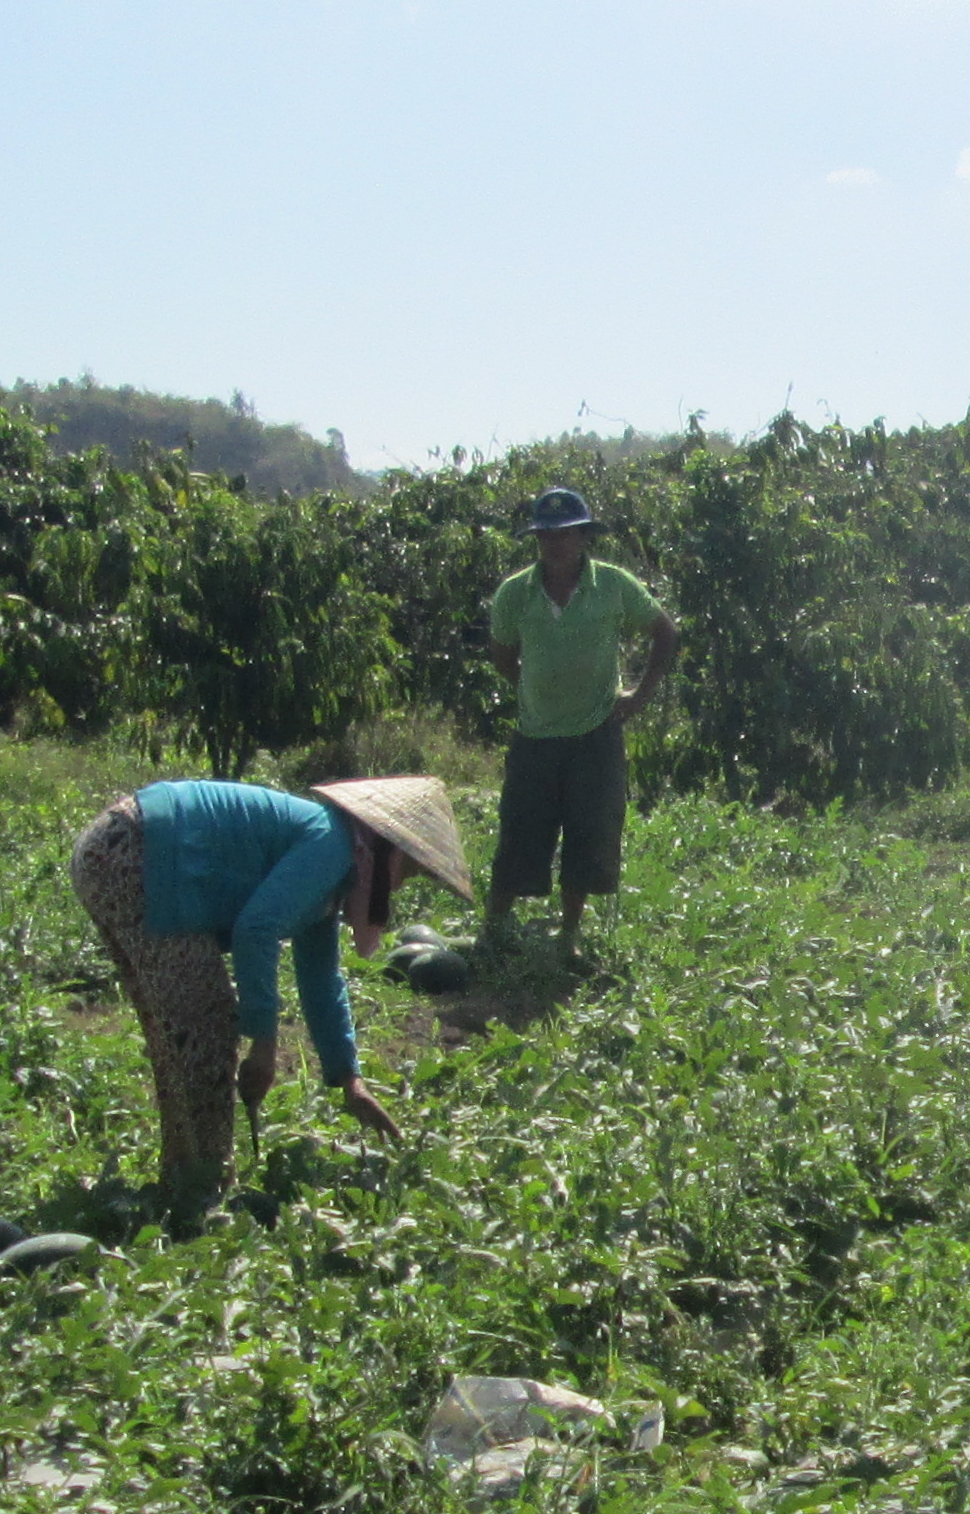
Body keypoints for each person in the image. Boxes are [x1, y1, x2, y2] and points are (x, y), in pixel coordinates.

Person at [68, 772, 475, 1224]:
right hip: (136, 849)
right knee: (204, 1021)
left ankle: (184, 1178)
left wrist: (348, 1079)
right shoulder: (332, 843)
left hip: (116, 849)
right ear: (385, 844)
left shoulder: (339, 864)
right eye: (409, 869)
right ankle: (203, 1190)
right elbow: (256, 930)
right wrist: (263, 1044)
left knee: (179, 1028)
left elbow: (321, 977)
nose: (400, 885)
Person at [482, 485, 679, 956]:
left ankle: (570, 934)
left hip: (596, 733)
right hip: (535, 734)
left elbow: (665, 632)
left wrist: (640, 694)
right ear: (537, 540)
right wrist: (534, 691)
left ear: (585, 537)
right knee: (521, 829)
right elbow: (503, 654)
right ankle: (495, 927)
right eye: (547, 535)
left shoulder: (612, 584)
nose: (557, 544)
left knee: (589, 832)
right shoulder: (516, 592)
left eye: (567, 534)